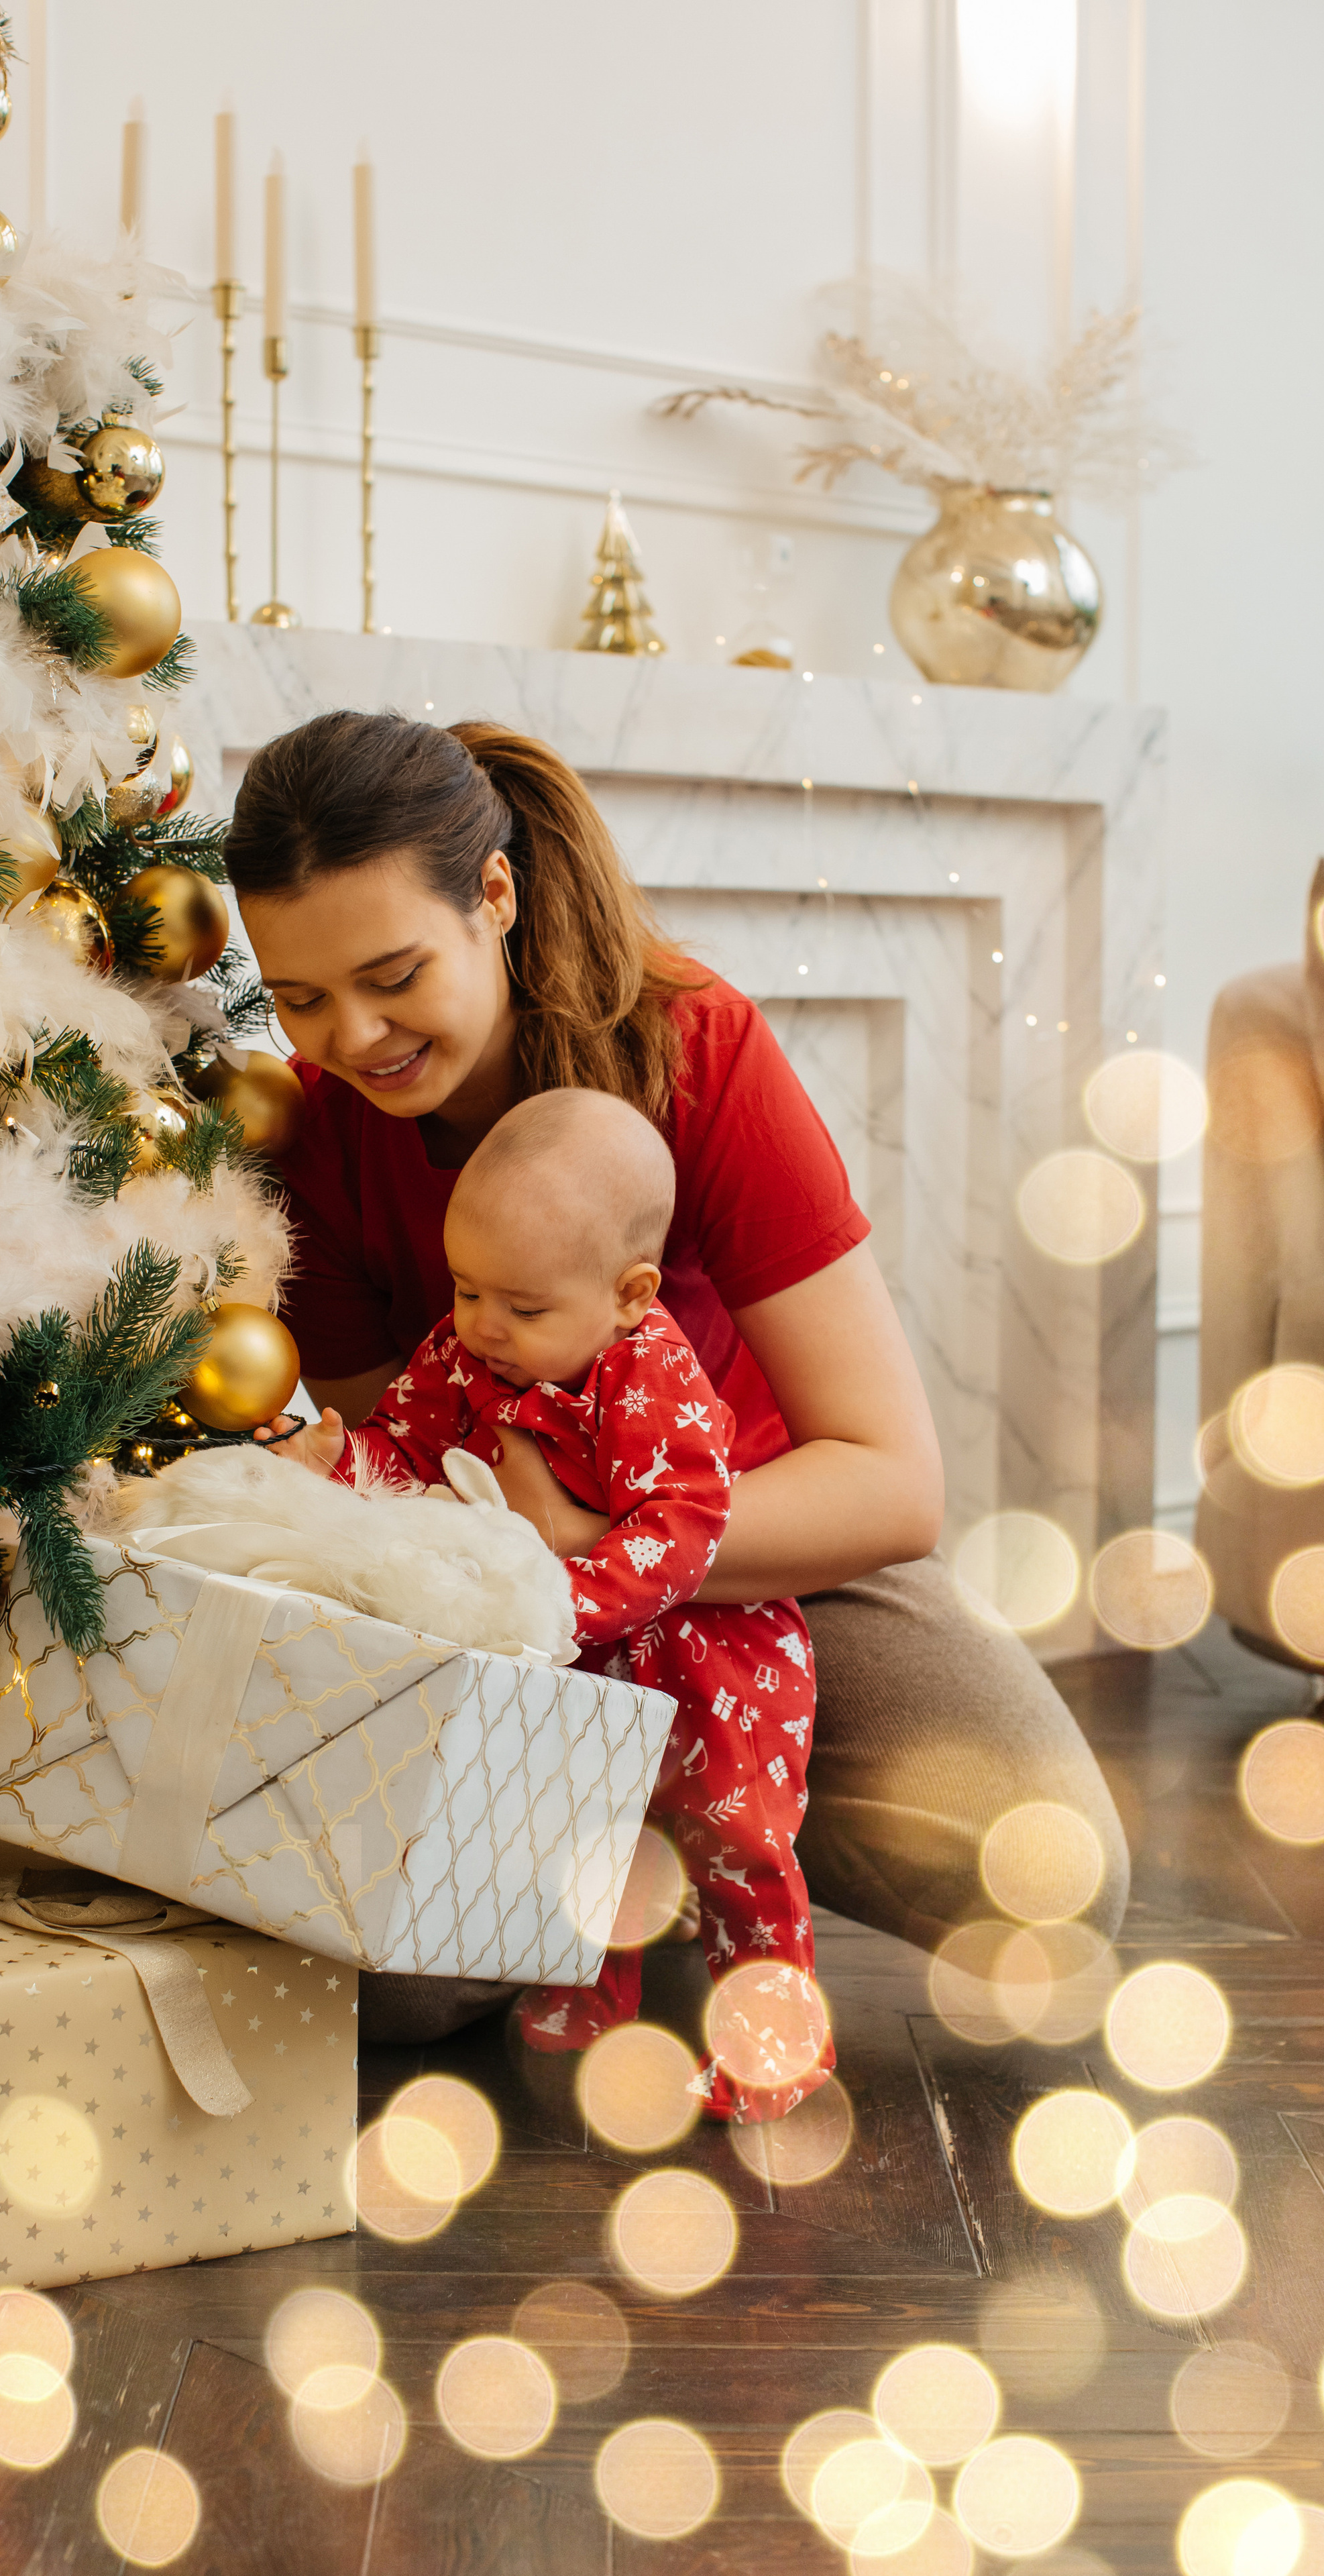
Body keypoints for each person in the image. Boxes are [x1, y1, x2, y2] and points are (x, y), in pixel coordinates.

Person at [224, 709, 1131, 2043]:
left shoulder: (697, 1050)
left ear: (494, 895)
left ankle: (711, 1821)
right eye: (299, 997)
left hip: (766, 1563)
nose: (353, 1038)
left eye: (392, 974)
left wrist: (608, 1545)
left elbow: (889, 1486)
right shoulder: (313, 1139)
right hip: (513, 1618)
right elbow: (403, 1475)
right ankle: (633, 1847)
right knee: (391, 1991)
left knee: (1052, 1879)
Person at [271, 1087, 829, 2123]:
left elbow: (684, 1529)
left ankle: (773, 2044)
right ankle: (587, 2010)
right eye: (467, 1288)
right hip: (578, 1661)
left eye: (524, 1310)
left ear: (629, 1293)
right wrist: (340, 1457)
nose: (483, 1326)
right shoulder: (464, 1346)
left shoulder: (652, 1371)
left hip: (716, 1667)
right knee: (581, 1833)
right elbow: (413, 1444)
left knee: (738, 1846)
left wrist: (556, 1598)